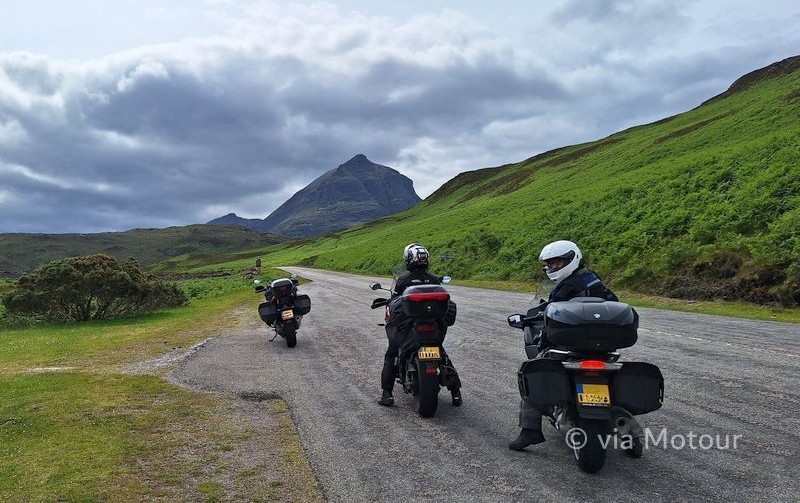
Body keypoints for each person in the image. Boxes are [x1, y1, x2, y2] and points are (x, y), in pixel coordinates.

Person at [509, 240, 618, 450]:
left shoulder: (568, 286)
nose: (553, 268)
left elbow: (548, 311)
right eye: (551, 264)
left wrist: (526, 319)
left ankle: (530, 431)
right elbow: (613, 301)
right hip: (600, 346)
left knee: (532, 375)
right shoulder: (592, 279)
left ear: (571, 259)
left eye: (558, 263)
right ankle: (634, 435)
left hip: (568, 346)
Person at [377, 243, 462, 407]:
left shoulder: (402, 281)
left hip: (410, 328)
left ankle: (386, 393)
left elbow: (394, 303)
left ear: (408, 260)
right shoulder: (434, 280)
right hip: (435, 327)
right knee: (441, 353)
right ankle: (456, 392)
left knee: (391, 353)